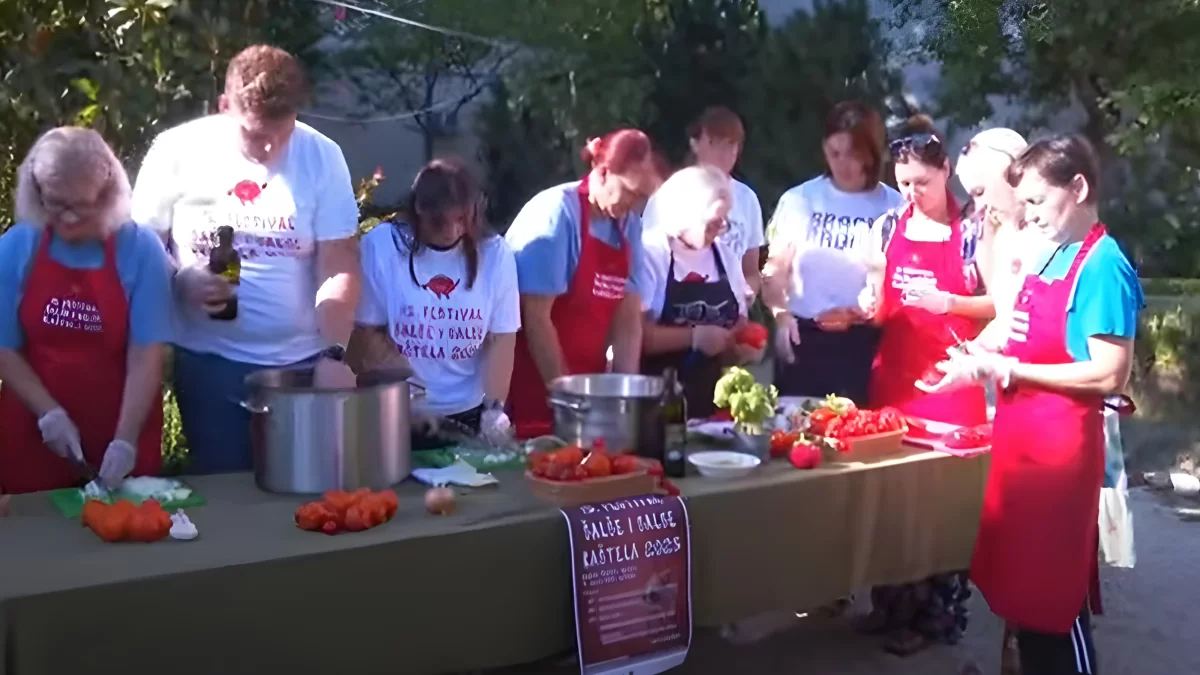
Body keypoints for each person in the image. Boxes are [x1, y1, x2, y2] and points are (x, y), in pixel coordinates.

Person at [930, 134, 1143, 675]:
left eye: (1036, 201)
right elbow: (1020, 331)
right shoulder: (1052, 251)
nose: (1026, 214)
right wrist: (974, 362)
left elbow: (1109, 372)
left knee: (1054, 606)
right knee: (1024, 600)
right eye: (1021, 202)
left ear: (1079, 187)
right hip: (1023, 447)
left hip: (1058, 456)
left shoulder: (1102, 264)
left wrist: (1011, 370)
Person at [131, 44, 361, 474]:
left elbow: (339, 263)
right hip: (207, 362)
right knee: (224, 495)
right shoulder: (176, 151)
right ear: (224, 106)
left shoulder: (322, 157)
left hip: (300, 363)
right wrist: (179, 280)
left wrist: (334, 355)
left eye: (282, 132)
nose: (269, 149)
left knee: (305, 496)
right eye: (254, 135)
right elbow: (140, 247)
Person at [0, 127, 174, 493]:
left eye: (80, 206)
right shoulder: (17, 248)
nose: (66, 218)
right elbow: (5, 347)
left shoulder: (140, 251)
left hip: (120, 422)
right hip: (33, 430)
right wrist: (49, 413)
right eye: (54, 203)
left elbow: (146, 353)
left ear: (108, 194)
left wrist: (125, 441)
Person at [349, 158, 518, 446]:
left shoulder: (495, 253)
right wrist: (405, 398)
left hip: (468, 414)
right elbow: (366, 336)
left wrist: (494, 409)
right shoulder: (382, 246)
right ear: (418, 210)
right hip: (398, 411)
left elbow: (502, 338)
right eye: (439, 222)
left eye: (462, 220)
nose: (451, 231)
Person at [505, 129, 660, 439]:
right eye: (630, 192)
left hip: (588, 394)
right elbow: (535, 317)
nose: (635, 205)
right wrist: (569, 401)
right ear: (602, 173)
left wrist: (624, 400)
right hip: (533, 389)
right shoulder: (555, 214)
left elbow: (628, 319)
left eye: (642, 197)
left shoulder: (628, 225)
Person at [762, 101, 904, 403]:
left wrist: (871, 310)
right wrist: (781, 316)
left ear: (872, 153)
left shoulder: (894, 206)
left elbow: (901, 281)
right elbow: (774, 271)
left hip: (863, 344)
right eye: (835, 153)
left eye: (854, 154)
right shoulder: (799, 200)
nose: (844, 164)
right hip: (804, 338)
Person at [867, 115, 990, 425]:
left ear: (945, 170)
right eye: (904, 184)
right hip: (893, 387)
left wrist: (948, 302)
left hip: (953, 387)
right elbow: (879, 312)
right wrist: (868, 303)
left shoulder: (973, 231)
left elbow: (1001, 304)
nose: (912, 193)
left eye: (922, 182)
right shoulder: (887, 228)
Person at [637, 165, 762, 417]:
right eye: (713, 222)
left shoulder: (723, 256)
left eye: (723, 222)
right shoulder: (651, 253)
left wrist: (741, 348)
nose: (719, 230)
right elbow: (634, 336)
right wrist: (693, 338)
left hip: (711, 404)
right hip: (656, 403)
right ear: (686, 214)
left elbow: (737, 325)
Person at [646, 106, 765, 303]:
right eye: (714, 143)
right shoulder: (668, 195)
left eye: (732, 145)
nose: (725, 152)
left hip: (730, 315)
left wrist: (746, 294)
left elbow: (751, 270)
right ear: (694, 143)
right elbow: (648, 257)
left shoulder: (747, 198)